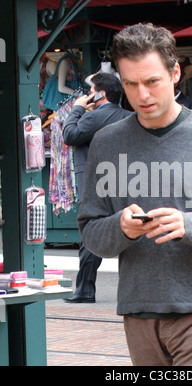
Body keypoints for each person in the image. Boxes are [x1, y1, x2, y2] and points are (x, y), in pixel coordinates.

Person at [77, 23, 192, 366]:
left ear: (175, 72)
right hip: (139, 310)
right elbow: (90, 232)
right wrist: (120, 227)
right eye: (130, 84)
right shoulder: (107, 143)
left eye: (151, 82)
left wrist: (188, 225)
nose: (142, 95)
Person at [63, 72, 131, 303]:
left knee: (91, 235)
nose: (87, 95)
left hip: (94, 185)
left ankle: (84, 290)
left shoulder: (93, 118)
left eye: (90, 91)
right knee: (128, 231)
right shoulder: (129, 117)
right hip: (124, 183)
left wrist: (77, 108)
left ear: (100, 94)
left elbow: (69, 135)